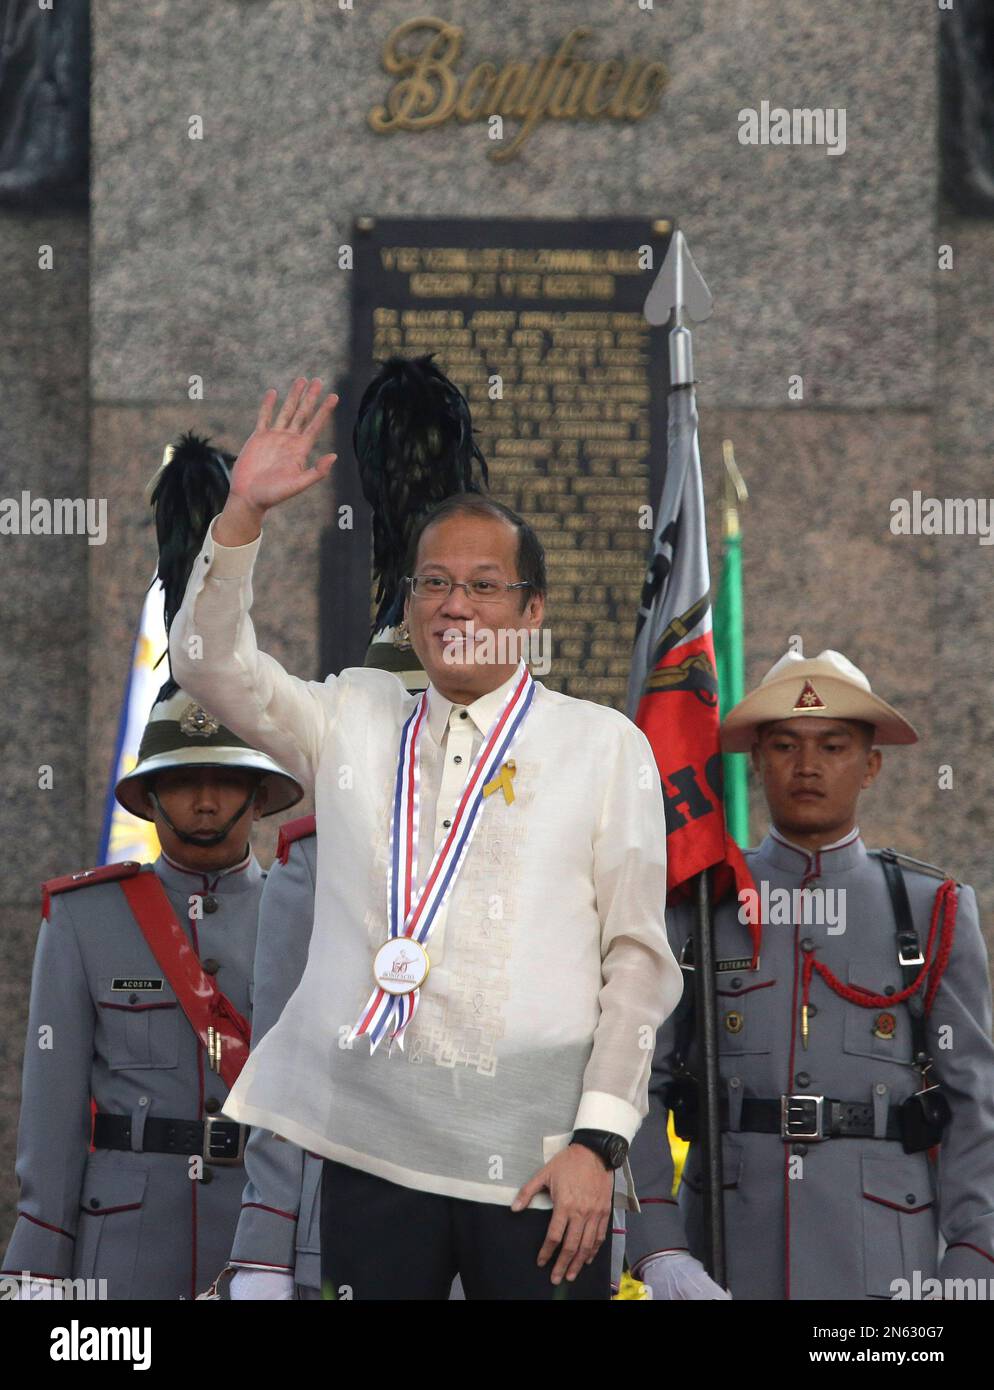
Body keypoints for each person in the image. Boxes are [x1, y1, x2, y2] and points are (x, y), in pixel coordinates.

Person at [169, 376, 682, 1300]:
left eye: (485, 588)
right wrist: (242, 512)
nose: (456, 606)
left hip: (537, 1162)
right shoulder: (355, 717)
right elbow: (210, 666)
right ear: (409, 607)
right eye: (436, 584)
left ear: (533, 614)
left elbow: (638, 964)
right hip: (378, 1155)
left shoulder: (603, 745)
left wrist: (600, 1144)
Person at [223, 356, 486, 1300]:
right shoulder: (318, 854)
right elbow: (291, 1041)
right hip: (361, 1227)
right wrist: (261, 1247)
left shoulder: (547, 814)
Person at [626, 649, 994, 1301]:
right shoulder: (703, 906)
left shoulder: (931, 911)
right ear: (757, 760)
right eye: (785, 745)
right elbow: (639, 1079)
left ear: (871, 765)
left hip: (886, 1260)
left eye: (833, 745)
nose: (807, 766)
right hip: (726, 1252)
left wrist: (973, 1257)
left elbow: (973, 1101)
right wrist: (659, 1244)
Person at [1, 687, 303, 1300]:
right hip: (124, 1248)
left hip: (266, 1246)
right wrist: (38, 1265)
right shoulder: (84, 918)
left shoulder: (305, 915)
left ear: (260, 793)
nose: (204, 800)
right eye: (184, 779)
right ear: (151, 797)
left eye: (224, 777)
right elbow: (52, 1114)